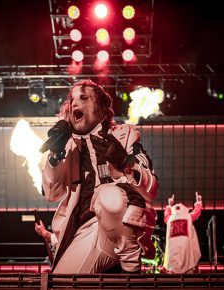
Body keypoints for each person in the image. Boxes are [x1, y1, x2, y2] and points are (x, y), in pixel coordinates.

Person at [40, 79, 159, 274]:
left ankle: (131, 267)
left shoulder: (125, 135)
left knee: (106, 195)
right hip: (85, 231)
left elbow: (152, 189)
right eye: (72, 100)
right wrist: (54, 154)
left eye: (83, 97)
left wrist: (126, 165)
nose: (74, 103)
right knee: (59, 283)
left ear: (102, 108)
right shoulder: (66, 147)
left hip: (121, 221)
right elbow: (50, 193)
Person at [163, 192, 202, 274]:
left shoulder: (169, 219)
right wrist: (198, 202)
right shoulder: (188, 216)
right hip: (185, 252)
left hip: (172, 253)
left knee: (172, 272)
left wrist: (169, 205)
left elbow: (166, 215)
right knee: (188, 267)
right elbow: (197, 212)